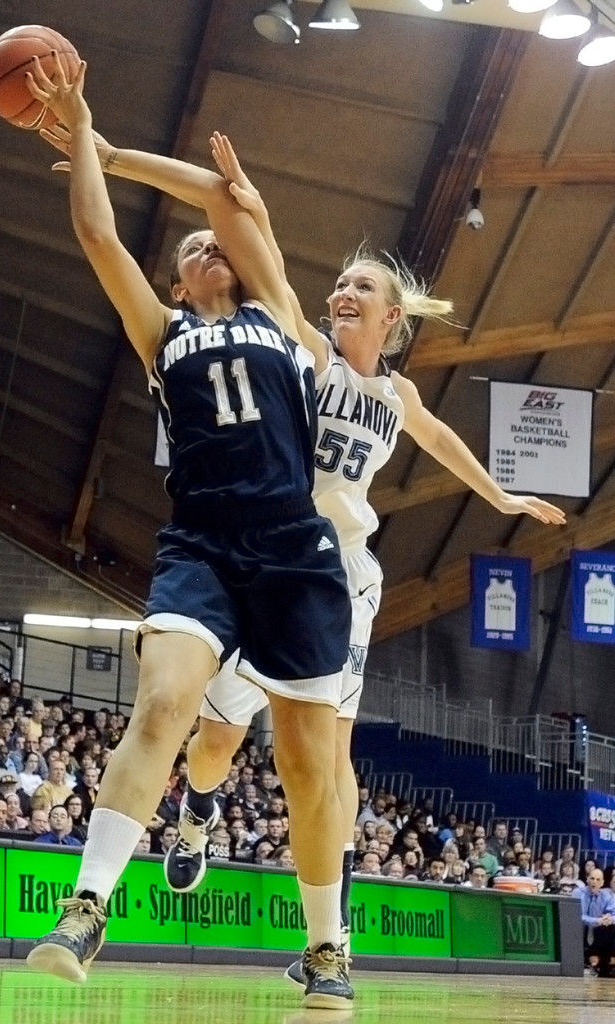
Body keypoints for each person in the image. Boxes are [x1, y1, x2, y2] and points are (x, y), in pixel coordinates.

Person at [90, 129, 566, 981]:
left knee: (325, 760)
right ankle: (198, 809)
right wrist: (118, 158)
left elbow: (442, 439)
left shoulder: (397, 391)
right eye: (340, 281)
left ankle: (329, 941)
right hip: (251, 550)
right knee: (215, 740)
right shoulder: (296, 344)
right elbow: (243, 225)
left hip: (336, 574)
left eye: (363, 286)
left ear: (391, 319)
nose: (343, 290)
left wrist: (498, 496)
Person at [24, 56, 353, 1009]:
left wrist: (119, 149)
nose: (212, 247)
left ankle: (327, 946)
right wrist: (79, 125)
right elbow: (94, 232)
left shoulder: (285, 316)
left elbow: (226, 196)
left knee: (304, 759)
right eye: (195, 248)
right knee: (165, 700)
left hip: (294, 547)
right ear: (176, 272)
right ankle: (88, 907)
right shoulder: (163, 332)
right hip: (203, 542)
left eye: (221, 246)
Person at [578, 868, 615, 977]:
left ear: (602, 883)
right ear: (587, 880)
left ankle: (604, 962)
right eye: (592, 878)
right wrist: (597, 920)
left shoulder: (607, 896)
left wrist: (610, 919)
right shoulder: (578, 893)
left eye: (598, 880)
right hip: (580, 928)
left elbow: (613, 914)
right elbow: (576, 916)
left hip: (598, 931)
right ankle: (593, 959)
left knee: (610, 927)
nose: (594, 882)